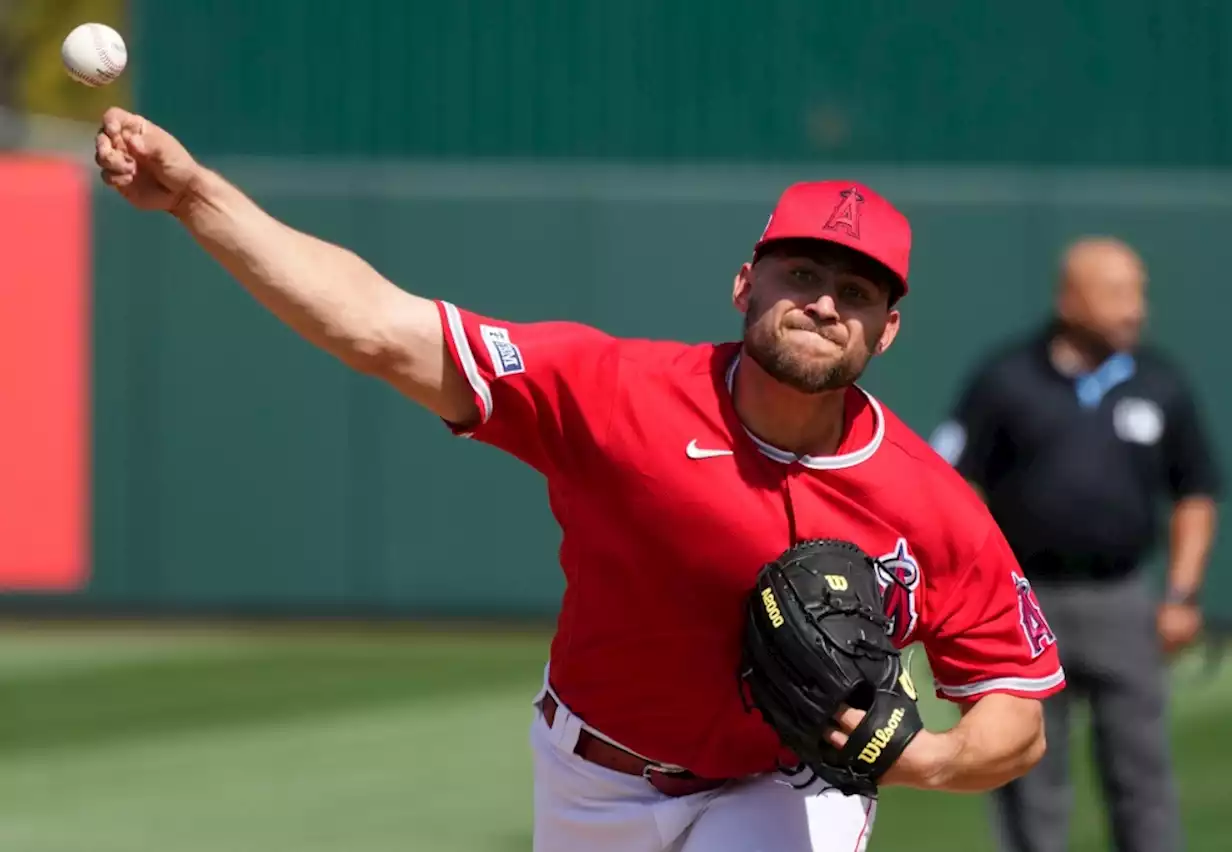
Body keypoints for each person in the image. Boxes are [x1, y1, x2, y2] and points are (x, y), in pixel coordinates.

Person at [94, 107, 1065, 852]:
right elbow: (375, 327)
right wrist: (192, 197)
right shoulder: (614, 392)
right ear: (745, 284)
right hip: (589, 779)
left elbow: (1014, 708)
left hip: (784, 790)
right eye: (800, 274)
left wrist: (923, 758)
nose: (821, 303)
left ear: (886, 329)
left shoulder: (928, 503)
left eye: (854, 293)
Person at [929, 237, 1222, 852]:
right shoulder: (1006, 378)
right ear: (1069, 298)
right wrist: (979, 588)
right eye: (1117, 293)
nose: (1135, 308)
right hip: (1026, 601)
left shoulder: (1160, 382)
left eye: (1139, 292)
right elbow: (954, 483)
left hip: (1121, 600)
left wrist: (1182, 593)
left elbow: (1195, 491)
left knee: (1141, 772)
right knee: (1027, 767)